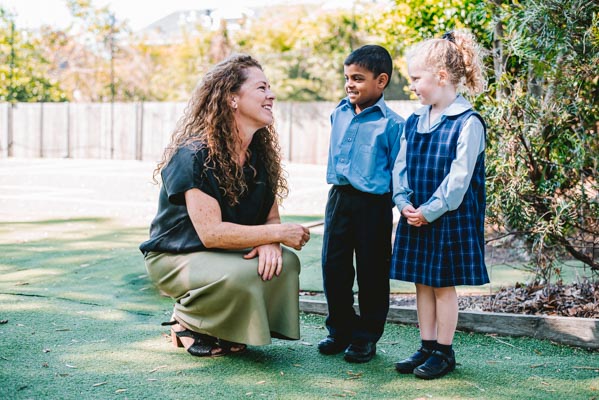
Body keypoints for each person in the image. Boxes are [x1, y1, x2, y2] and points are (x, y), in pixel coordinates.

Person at [139, 54, 311, 358]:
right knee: (241, 275)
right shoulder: (193, 155)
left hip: (221, 252)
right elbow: (211, 234)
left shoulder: (260, 154)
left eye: (269, 88)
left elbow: (271, 218)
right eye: (261, 88)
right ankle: (186, 322)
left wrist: (273, 237)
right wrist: (278, 234)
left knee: (285, 264)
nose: (271, 95)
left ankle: (225, 329)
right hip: (177, 254)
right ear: (232, 98)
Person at [390, 29, 489, 379]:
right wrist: (402, 202)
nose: (412, 86)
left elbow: (459, 180)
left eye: (417, 79)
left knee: (443, 285)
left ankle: (444, 352)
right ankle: (427, 345)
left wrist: (429, 211)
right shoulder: (415, 120)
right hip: (415, 214)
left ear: (442, 77)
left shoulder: (468, 122)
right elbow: (401, 166)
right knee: (421, 281)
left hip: (447, 217)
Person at [318, 45, 404, 363]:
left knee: (371, 272)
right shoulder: (338, 112)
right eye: (347, 78)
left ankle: (366, 337)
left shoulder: (393, 124)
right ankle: (340, 330)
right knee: (333, 268)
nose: (350, 84)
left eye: (358, 78)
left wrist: (397, 201)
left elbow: (398, 169)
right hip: (339, 199)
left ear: (381, 81)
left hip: (374, 206)